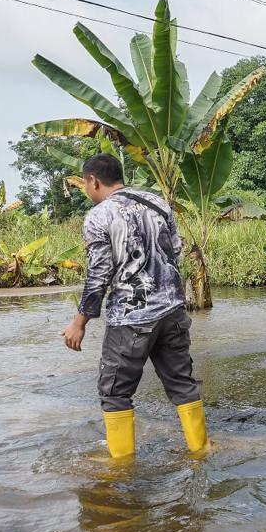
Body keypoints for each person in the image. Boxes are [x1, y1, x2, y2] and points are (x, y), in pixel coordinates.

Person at [61, 153, 205, 458]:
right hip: (172, 311)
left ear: (93, 180)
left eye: (85, 184)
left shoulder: (99, 216)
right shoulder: (158, 203)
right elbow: (174, 252)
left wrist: (80, 321)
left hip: (131, 318)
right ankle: (200, 450)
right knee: (182, 383)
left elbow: (99, 273)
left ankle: (121, 470)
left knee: (114, 392)